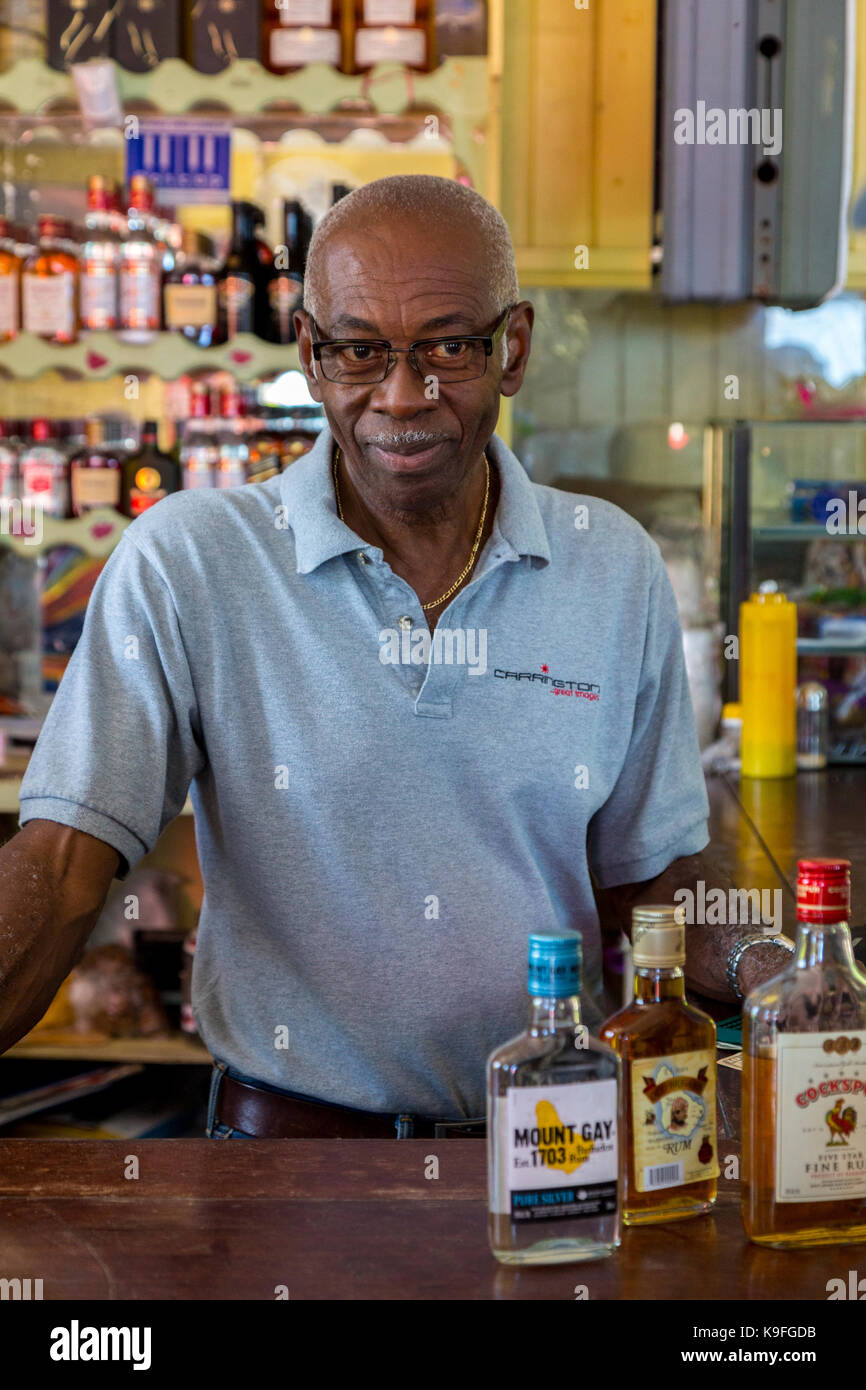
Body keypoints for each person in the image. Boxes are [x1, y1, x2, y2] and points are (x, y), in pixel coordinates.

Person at [0, 176, 792, 1138]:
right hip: (284, 1163)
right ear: (309, 354)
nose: (401, 394)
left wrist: (780, 972)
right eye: (358, 349)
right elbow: (63, 866)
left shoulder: (610, 565)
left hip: (551, 1142)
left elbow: (648, 875)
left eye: (449, 346)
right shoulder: (191, 561)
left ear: (515, 348)